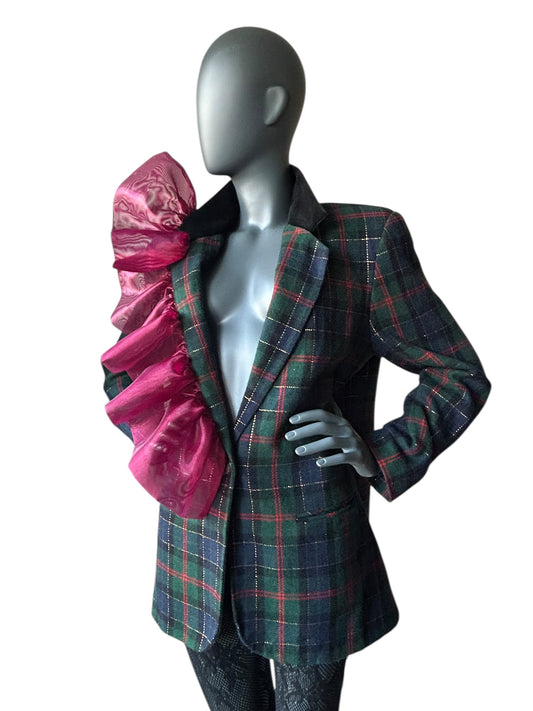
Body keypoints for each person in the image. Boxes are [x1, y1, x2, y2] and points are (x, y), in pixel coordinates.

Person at [103, 27, 490, 711]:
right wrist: (161, 437)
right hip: (195, 548)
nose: (202, 115)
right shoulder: (181, 247)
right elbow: (126, 371)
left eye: (219, 94)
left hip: (308, 553)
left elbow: (456, 373)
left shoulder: (364, 243)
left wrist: (377, 450)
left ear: (273, 103)